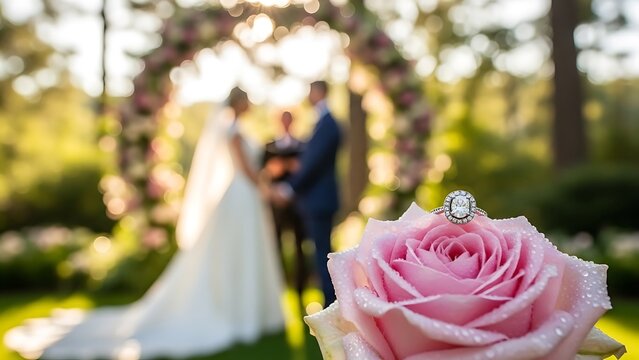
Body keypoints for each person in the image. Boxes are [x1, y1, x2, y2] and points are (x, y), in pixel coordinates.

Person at [4, 87, 285, 359]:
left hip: (243, 197)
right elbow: (245, 170)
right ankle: (239, 314)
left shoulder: (237, 130)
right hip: (240, 196)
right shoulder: (233, 132)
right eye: (247, 100)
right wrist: (264, 186)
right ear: (238, 103)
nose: (250, 105)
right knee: (238, 253)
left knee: (243, 254)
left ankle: (250, 313)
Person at [273, 81, 342, 306]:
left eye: (311, 91)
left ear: (319, 91)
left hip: (319, 201)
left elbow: (312, 163)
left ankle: (330, 303)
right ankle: (330, 302)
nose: (308, 96)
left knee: (322, 254)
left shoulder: (327, 123)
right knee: (322, 253)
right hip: (318, 200)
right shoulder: (322, 122)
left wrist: (290, 187)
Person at [264, 111, 308, 298]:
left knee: (300, 246)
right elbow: (264, 173)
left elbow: (305, 171)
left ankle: (300, 289)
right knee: (276, 246)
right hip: (276, 205)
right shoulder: (269, 146)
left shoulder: (303, 146)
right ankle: (278, 288)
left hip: (297, 204)